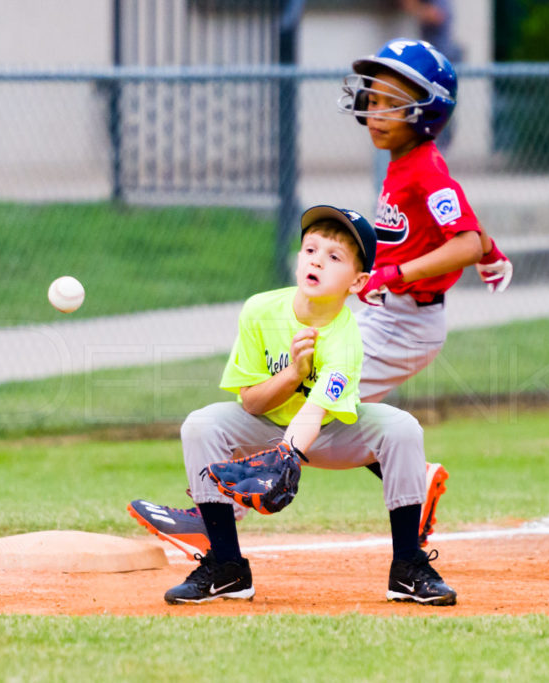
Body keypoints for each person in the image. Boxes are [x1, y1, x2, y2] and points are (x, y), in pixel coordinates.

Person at [129, 38, 511, 562]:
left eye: (391, 102)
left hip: (406, 325)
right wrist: (491, 249)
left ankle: (217, 519)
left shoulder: (424, 169)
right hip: (385, 316)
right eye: (373, 100)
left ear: (426, 111)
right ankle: (412, 481)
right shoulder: (406, 164)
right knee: (329, 408)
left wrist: (411, 267)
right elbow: (470, 232)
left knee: (308, 404)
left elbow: (461, 240)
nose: (376, 113)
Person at [162, 204, 456, 606]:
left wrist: (286, 457)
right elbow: (249, 402)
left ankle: (407, 567)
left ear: (358, 282)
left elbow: (315, 414)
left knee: (402, 428)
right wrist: (292, 375)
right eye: (311, 249)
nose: (317, 260)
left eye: (335, 257)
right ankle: (226, 568)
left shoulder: (345, 337)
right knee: (201, 424)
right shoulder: (261, 311)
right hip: (265, 425)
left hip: (329, 435)